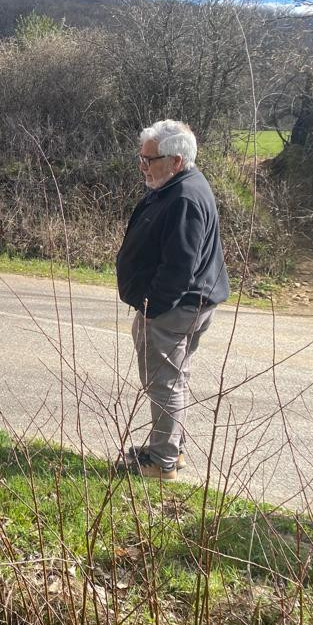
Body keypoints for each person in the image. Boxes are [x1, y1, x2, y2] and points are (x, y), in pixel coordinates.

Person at [116, 119, 230, 480]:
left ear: (176, 160)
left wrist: (153, 307)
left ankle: (162, 462)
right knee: (174, 378)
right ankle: (169, 448)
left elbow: (180, 265)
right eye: (142, 158)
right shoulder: (176, 186)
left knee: (163, 382)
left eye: (149, 159)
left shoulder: (184, 197)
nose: (142, 166)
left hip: (174, 308)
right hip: (189, 303)